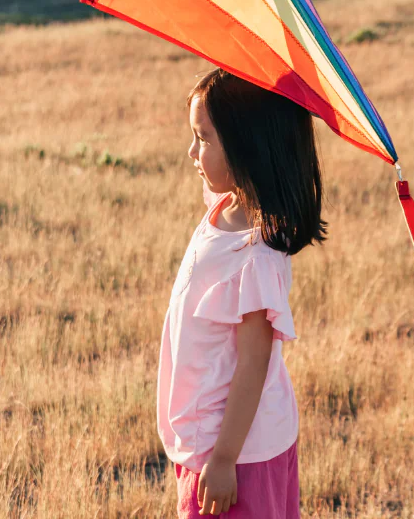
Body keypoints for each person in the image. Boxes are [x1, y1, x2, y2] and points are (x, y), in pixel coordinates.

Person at [157, 67, 328, 518]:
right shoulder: (226, 206)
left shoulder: (256, 256)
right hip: (213, 440)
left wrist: (224, 459)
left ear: (246, 148)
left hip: (235, 453)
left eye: (205, 138)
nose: (192, 152)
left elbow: (254, 363)